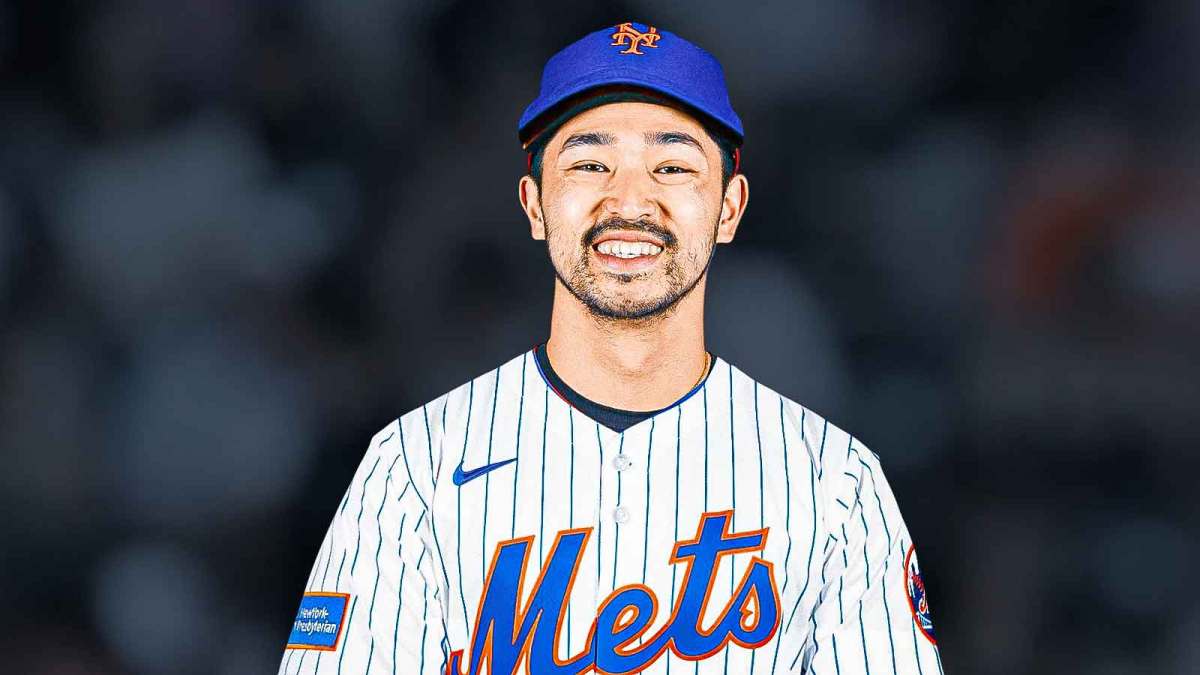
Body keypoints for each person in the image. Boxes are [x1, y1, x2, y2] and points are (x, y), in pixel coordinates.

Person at [277, 21, 944, 675]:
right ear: (535, 204)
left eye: (673, 165)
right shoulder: (413, 465)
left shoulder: (836, 480)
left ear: (730, 207)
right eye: (591, 163)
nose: (630, 199)